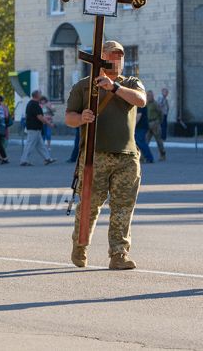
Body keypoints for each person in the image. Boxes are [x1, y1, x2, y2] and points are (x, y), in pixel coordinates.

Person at [65, 40, 146, 270]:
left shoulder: (130, 83)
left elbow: (141, 100)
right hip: (95, 155)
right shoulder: (84, 85)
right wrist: (82, 119)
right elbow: (69, 117)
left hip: (127, 157)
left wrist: (115, 88)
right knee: (89, 205)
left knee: (123, 207)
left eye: (120, 56)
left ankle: (118, 254)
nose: (116, 60)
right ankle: (80, 246)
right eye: (112, 56)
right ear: (101, 58)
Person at [21, 90, 54, 166]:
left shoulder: (30, 103)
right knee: (30, 144)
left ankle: (47, 158)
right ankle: (24, 160)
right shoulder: (35, 104)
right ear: (37, 96)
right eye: (40, 94)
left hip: (33, 127)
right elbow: (40, 117)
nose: (41, 95)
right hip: (34, 127)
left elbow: (26, 115)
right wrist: (49, 124)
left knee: (40, 145)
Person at [143, 90, 167, 162]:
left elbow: (161, 113)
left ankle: (162, 155)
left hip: (155, 123)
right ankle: (144, 156)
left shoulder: (155, 104)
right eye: (147, 96)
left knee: (159, 141)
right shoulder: (146, 104)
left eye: (149, 96)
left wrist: (159, 121)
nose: (148, 97)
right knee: (145, 141)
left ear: (152, 96)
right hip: (148, 123)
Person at [135, 97, 154, 164]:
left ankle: (149, 158)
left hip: (140, 127)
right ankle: (142, 158)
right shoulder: (141, 103)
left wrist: (133, 125)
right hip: (142, 126)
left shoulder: (139, 103)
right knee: (138, 143)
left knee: (141, 142)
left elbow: (139, 115)